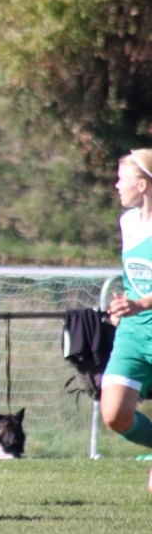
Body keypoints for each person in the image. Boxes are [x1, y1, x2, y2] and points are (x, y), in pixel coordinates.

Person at [101, 149, 152, 492]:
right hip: (134, 332)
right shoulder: (128, 222)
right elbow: (134, 275)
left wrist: (142, 302)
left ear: (144, 184)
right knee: (114, 415)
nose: (117, 185)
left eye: (123, 178)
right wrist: (122, 305)